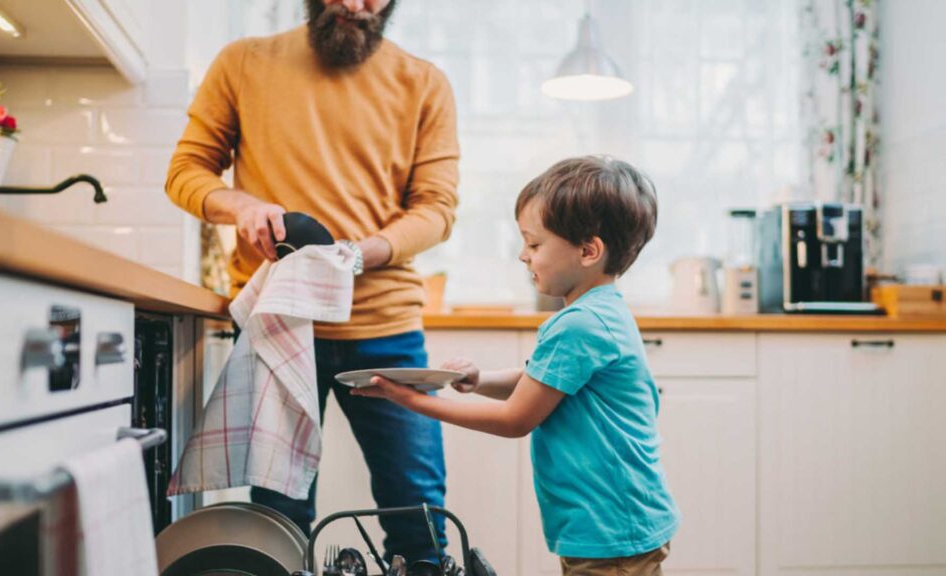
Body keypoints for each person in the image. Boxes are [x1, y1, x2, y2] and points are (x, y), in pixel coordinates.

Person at [164, 0, 460, 560]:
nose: (354, 4)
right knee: (279, 517)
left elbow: (437, 209)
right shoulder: (243, 63)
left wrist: (358, 255)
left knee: (417, 511)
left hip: (385, 327)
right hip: (281, 322)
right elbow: (186, 172)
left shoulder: (425, 83)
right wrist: (241, 206)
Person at [354, 156, 681, 575]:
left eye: (534, 244)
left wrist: (408, 400)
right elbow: (539, 383)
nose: (523, 256)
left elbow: (514, 419)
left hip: (611, 530)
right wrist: (478, 380)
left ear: (588, 251)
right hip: (615, 520)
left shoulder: (579, 325)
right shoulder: (601, 311)